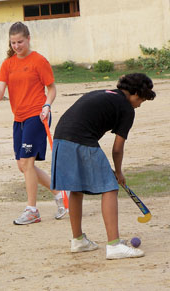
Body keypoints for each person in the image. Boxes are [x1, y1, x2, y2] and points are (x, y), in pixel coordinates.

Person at [51, 73, 156, 259]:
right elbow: (117, 148)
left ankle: (78, 240)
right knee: (110, 187)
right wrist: (119, 172)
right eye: (141, 100)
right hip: (81, 139)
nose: (139, 104)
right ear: (135, 94)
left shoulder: (103, 93)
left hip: (60, 137)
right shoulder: (126, 108)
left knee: (76, 188)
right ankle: (114, 245)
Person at [0, 21, 68, 225]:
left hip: (37, 115)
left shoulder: (38, 61)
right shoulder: (8, 63)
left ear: (28, 39)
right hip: (19, 118)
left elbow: (51, 89)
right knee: (22, 166)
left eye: (20, 42)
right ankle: (61, 194)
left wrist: (47, 105)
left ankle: (32, 209)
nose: (17, 46)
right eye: (13, 42)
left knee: (28, 162)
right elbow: (0, 87)